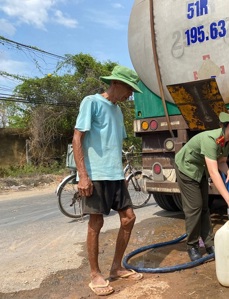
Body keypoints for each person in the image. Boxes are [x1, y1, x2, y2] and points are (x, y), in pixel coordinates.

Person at [73, 65, 144, 296]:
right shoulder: (91, 102)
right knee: (96, 223)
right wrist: (83, 175)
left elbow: (115, 144)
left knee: (129, 218)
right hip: (95, 174)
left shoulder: (118, 111)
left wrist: (122, 174)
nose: (130, 95)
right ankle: (95, 275)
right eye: (129, 89)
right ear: (115, 84)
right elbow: (77, 137)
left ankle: (116, 267)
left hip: (115, 175)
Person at [174, 108, 229, 261]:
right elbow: (214, 172)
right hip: (186, 168)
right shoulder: (210, 140)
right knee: (195, 207)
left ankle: (208, 243)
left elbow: (222, 162)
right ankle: (192, 245)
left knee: (205, 207)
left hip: (200, 170)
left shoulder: (228, 142)